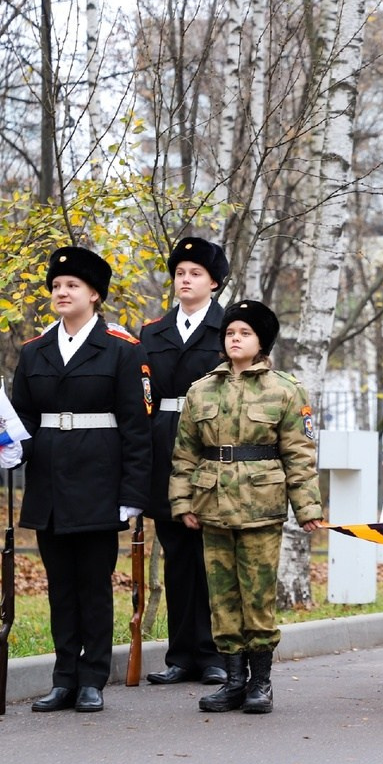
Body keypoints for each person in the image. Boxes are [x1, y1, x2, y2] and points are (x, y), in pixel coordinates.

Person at [0, 246, 153, 713]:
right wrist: (11, 447)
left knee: (93, 585)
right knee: (59, 586)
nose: (61, 292)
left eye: (72, 286)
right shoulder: (35, 351)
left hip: (99, 482)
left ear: (95, 295)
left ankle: (92, 679)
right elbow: (23, 416)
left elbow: (137, 429)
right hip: (49, 484)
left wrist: (132, 496)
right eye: (56, 286)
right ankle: (63, 676)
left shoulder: (123, 349)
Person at [170, 300, 324, 715]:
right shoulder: (202, 389)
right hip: (212, 505)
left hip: (261, 508)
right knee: (222, 599)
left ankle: (261, 682)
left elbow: (299, 454)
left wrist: (308, 508)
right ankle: (234, 681)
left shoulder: (285, 390)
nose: (235, 340)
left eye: (245, 334)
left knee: (257, 597)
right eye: (230, 333)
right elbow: (185, 452)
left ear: (261, 342)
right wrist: (182, 501)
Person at [139, 237, 229, 686]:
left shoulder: (228, 329)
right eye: (180, 273)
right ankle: (180, 655)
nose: (186, 280)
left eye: (195, 273)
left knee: (209, 555)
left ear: (214, 282)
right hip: (165, 449)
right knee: (176, 554)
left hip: (213, 451)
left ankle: (213, 653)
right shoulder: (152, 333)